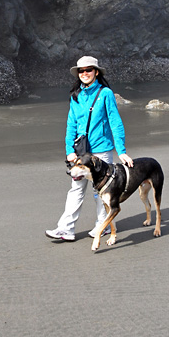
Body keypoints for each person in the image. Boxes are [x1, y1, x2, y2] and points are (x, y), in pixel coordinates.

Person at [45, 55, 133, 241]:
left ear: (96, 72)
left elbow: (115, 122)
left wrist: (122, 151)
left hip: (102, 150)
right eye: (81, 71)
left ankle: (104, 226)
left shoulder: (105, 93)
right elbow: (71, 125)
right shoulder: (76, 96)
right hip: (81, 153)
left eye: (88, 70)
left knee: (101, 191)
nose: (84, 73)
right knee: (76, 189)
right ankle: (65, 229)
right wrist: (70, 150)